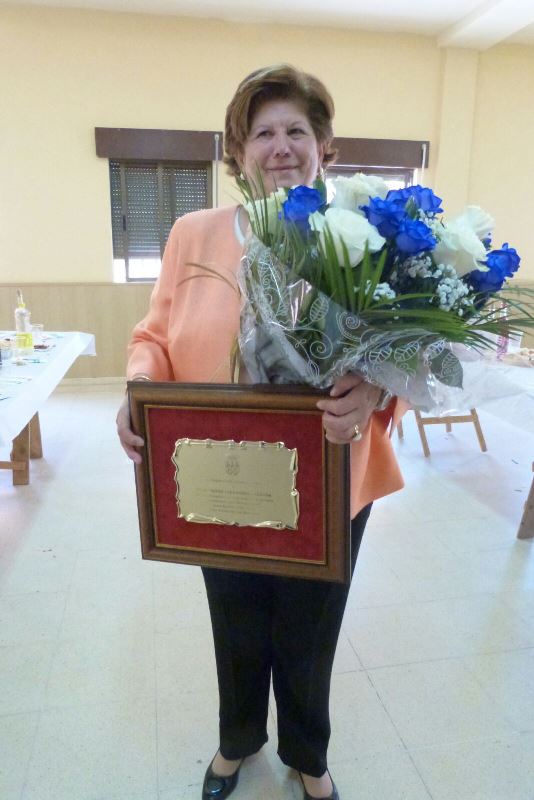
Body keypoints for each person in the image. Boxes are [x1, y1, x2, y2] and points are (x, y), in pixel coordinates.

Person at [117, 64, 405, 800]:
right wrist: (139, 391)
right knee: (235, 618)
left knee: (312, 629)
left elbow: (404, 352)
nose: (281, 146)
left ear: (323, 146)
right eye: (263, 132)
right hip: (219, 475)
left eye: (296, 130)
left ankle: (308, 756)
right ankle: (238, 740)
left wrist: (374, 391)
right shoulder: (193, 233)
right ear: (238, 153)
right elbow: (153, 335)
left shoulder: (367, 234)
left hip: (332, 474)